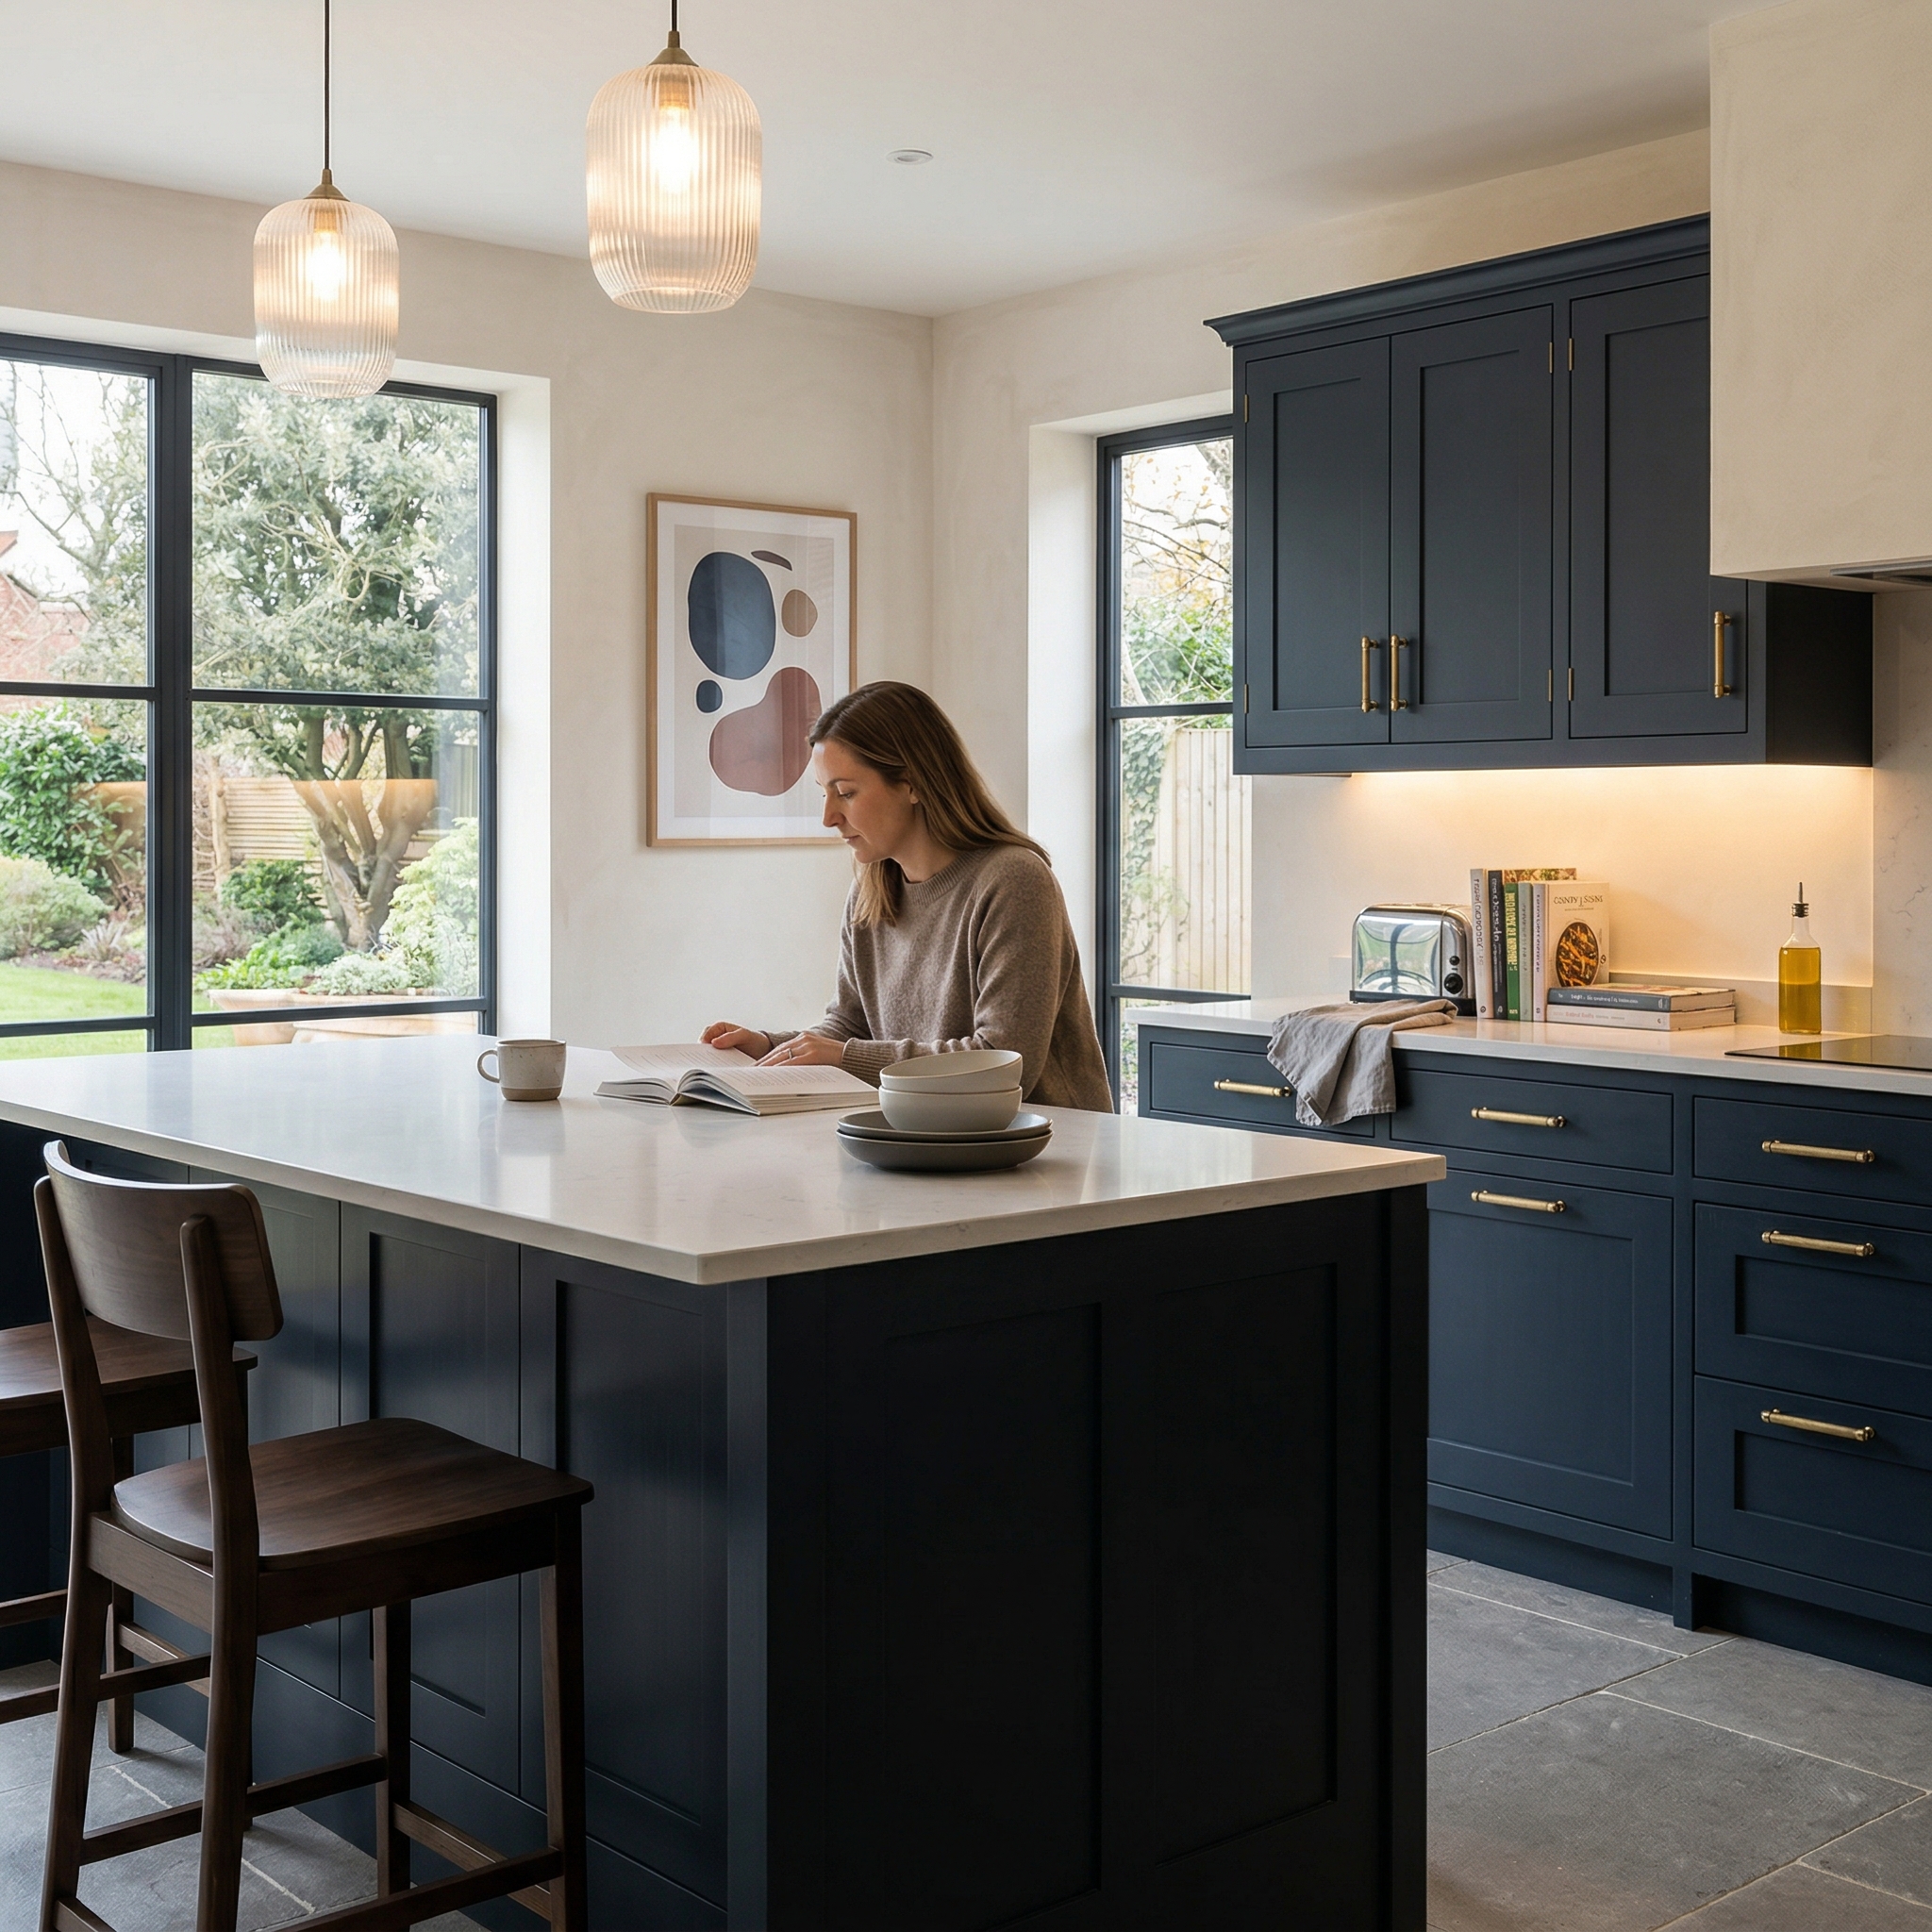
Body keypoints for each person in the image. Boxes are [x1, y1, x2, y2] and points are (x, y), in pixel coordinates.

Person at [703, 680, 1114, 1110]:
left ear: (913, 783)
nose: (828, 817)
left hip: (1045, 1154)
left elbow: (1007, 1063)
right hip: (929, 1146)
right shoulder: (872, 889)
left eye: (846, 793)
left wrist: (844, 1059)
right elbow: (850, 1025)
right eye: (824, 794)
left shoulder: (1013, 881)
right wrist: (769, 1046)